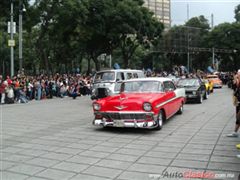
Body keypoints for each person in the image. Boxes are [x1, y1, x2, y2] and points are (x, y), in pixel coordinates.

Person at [227, 70, 240, 137]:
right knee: (238, 118)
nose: (237, 76)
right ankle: (235, 132)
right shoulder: (238, 83)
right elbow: (234, 89)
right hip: (238, 103)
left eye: (238, 75)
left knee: (238, 117)